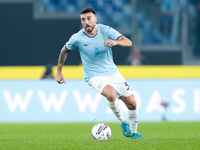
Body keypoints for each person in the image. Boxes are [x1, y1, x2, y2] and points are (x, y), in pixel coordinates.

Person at [55, 8, 143, 139]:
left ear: (95, 19)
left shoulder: (105, 30)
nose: (86, 22)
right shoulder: (77, 38)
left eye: (89, 18)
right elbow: (64, 50)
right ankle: (122, 122)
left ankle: (134, 133)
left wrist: (116, 41)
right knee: (111, 94)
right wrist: (59, 71)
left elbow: (128, 42)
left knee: (132, 103)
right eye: (83, 20)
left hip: (113, 72)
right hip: (93, 76)